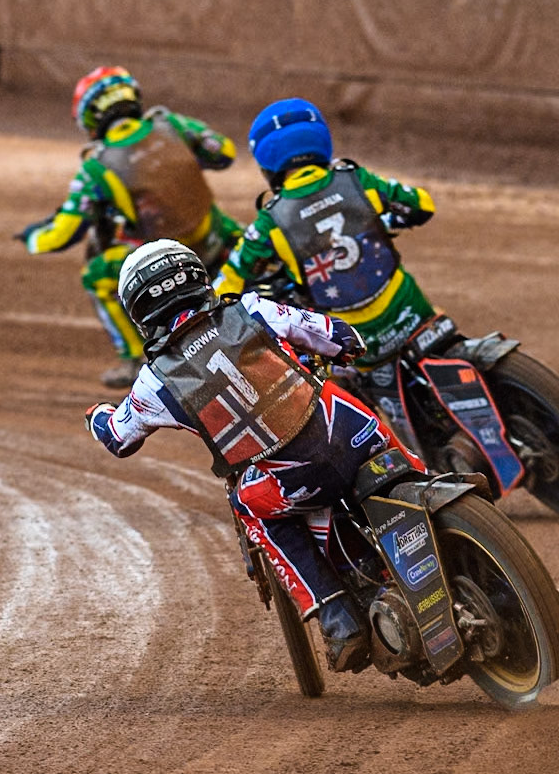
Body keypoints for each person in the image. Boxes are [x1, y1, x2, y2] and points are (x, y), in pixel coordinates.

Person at [83, 239, 425, 672]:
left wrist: (96, 415)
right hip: (354, 434)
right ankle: (434, 488)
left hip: (297, 480)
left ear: (140, 311)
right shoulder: (251, 310)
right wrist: (343, 349)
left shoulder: (154, 381)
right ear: (196, 277)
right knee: (353, 409)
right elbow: (342, 338)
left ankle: (338, 617)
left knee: (248, 504)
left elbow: (119, 439)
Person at [211, 98, 437, 443]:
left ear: (267, 163)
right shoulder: (355, 179)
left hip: (358, 342)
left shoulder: (270, 220)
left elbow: (227, 284)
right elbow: (423, 205)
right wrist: (384, 219)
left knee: (317, 394)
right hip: (410, 313)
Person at [16, 66, 244, 387]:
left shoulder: (96, 168)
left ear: (90, 117)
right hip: (217, 240)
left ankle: (135, 359)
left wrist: (31, 238)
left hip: (167, 263)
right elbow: (224, 153)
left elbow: (61, 235)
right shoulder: (172, 124)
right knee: (252, 238)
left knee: (96, 275)